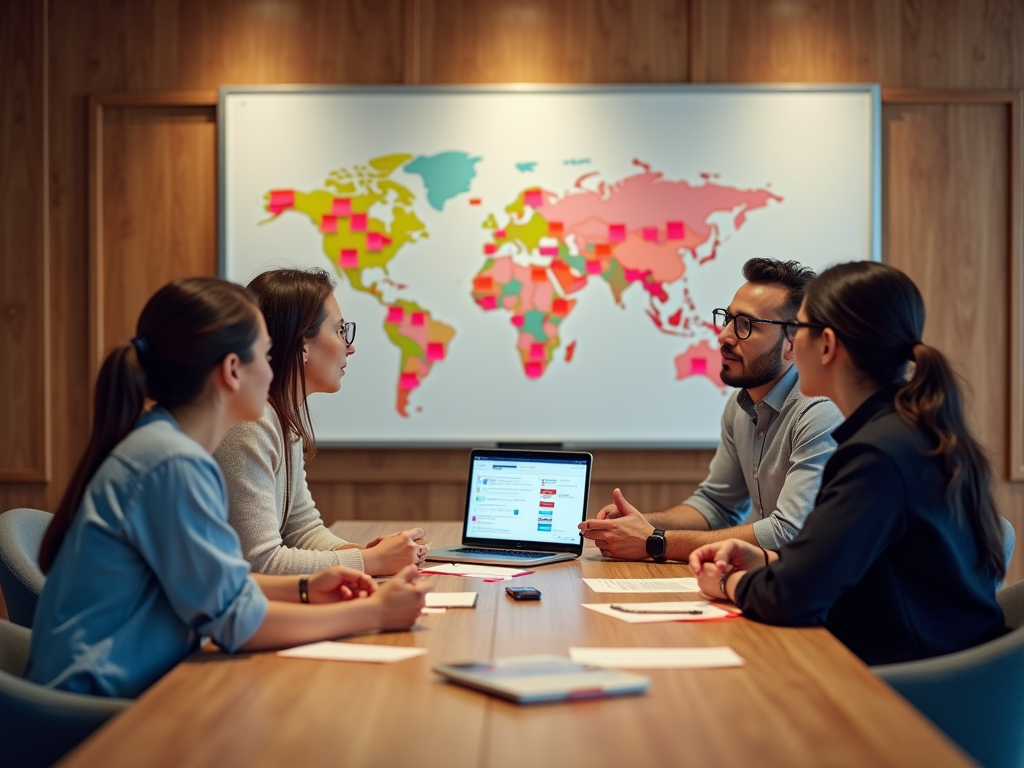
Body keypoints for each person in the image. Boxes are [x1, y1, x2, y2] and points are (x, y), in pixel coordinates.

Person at [27, 278, 430, 699]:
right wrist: (373, 612)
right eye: (266, 354)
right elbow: (238, 621)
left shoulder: (165, 446)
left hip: (126, 683)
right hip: (98, 710)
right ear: (233, 370)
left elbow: (223, 586)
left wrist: (310, 587)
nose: (274, 369)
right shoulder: (174, 464)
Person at [689, 261, 1007, 665]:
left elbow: (790, 599)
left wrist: (728, 582)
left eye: (799, 330)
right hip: (944, 666)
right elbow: (846, 564)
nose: (791, 346)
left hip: (914, 688)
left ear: (826, 345)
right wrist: (769, 560)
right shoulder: (908, 430)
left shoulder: (876, 454)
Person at [581, 258, 843, 562]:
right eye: (728, 319)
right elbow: (716, 505)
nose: (724, 336)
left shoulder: (820, 410)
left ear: (792, 344)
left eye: (746, 325)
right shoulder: (740, 405)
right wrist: (640, 524)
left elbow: (787, 532)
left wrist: (656, 541)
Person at [214, 268, 427, 576]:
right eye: (340, 331)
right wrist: (373, 561)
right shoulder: (249, 423)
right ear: (303, 345)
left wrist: (367, 554)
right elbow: (260, 563)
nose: (349, 346)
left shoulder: (284, 414)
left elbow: (302, 529)